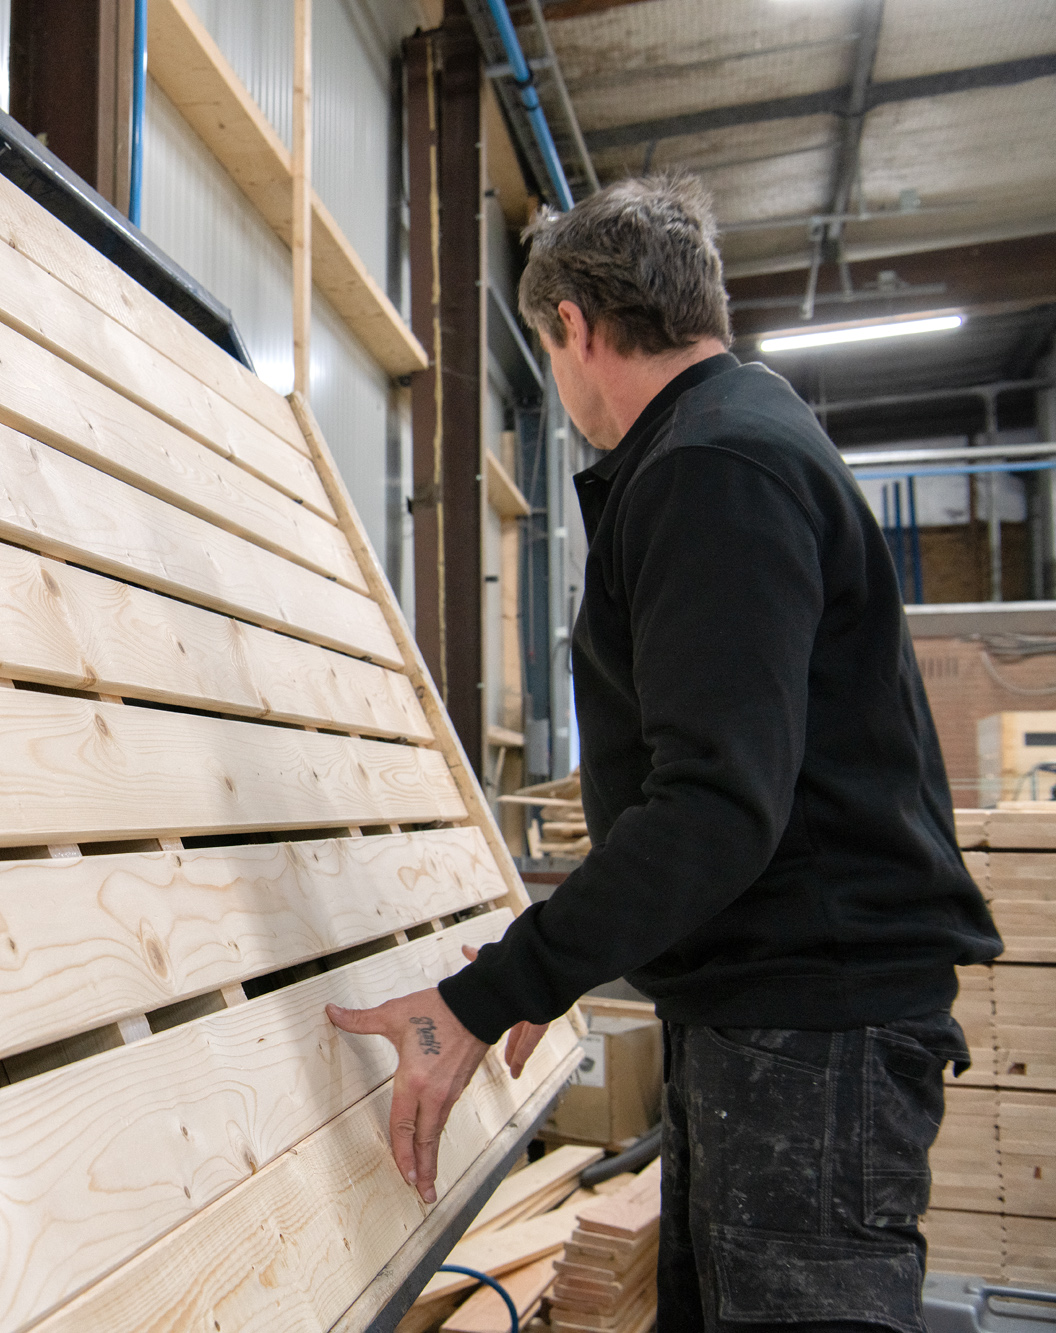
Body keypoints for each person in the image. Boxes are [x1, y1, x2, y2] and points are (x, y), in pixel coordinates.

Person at [326, 173, 1002, 1331]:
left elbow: (712, 808)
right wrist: (554, 958)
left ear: (573, 326)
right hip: (776, 1016)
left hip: (804, 1029)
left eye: (549, 352)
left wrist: (490, 992)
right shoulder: (738, 436)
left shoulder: (709, 468)